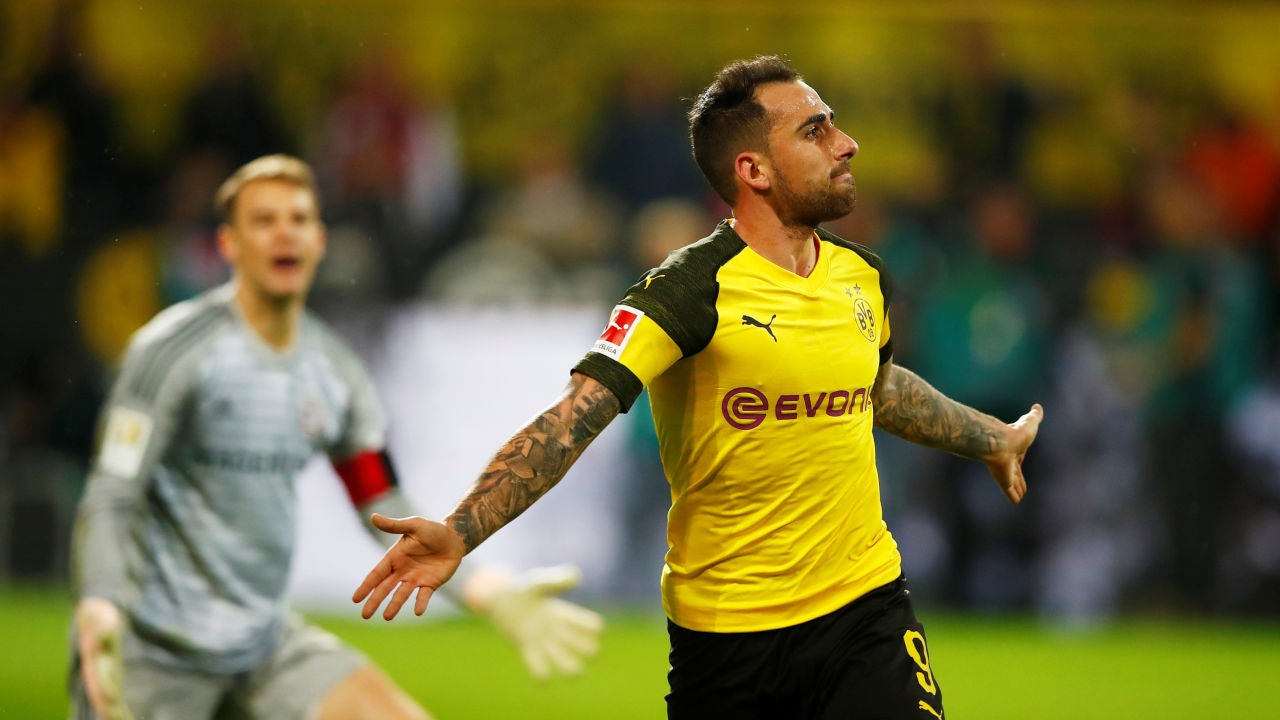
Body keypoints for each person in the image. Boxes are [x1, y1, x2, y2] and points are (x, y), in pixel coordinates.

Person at [354, 56, 1044, 719]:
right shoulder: (685, 290)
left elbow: (878, 387)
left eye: (833, 124)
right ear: (754, 170)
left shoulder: (862, 275)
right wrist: (462, 531)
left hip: (867, 610)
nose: (847, 143)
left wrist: (991, 438)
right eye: (815, 130)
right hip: (729, 638)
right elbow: (571, 420)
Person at [68, 154, 603, 720]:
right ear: (229, 244)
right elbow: (113, 494)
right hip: (152, 646)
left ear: (319, 240)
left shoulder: (334, 372)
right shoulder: (172, 351)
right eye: (264, 220)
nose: (284, 234)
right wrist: (100, 602)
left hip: (261, 642)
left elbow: (382, 505)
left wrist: (490, 592)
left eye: (298, 219)